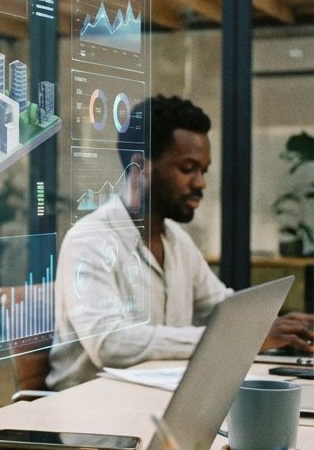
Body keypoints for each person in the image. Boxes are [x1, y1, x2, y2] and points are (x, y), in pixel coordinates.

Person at [49, 95, 314, 390]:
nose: (200, 183)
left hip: (156, 398)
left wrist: (275, 326)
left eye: (203, 170)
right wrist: (241, 337)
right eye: (188, 169)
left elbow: (222, 310)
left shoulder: (177, 241)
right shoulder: (89, 240)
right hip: (89, 408)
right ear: (140, 167)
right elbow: (110, 343)